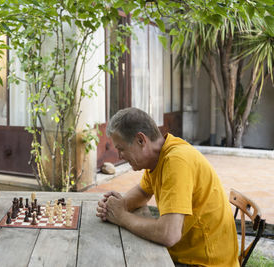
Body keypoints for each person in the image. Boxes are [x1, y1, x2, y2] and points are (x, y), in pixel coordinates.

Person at [96, 107, 239, 266]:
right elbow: (143, 191)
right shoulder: (160, 156)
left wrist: (122, 217)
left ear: (141, 140)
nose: (119, 156)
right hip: (187, 254)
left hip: (205, 262)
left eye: (121, 149)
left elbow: (169, 234)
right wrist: (118, 205)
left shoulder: (176, 161)